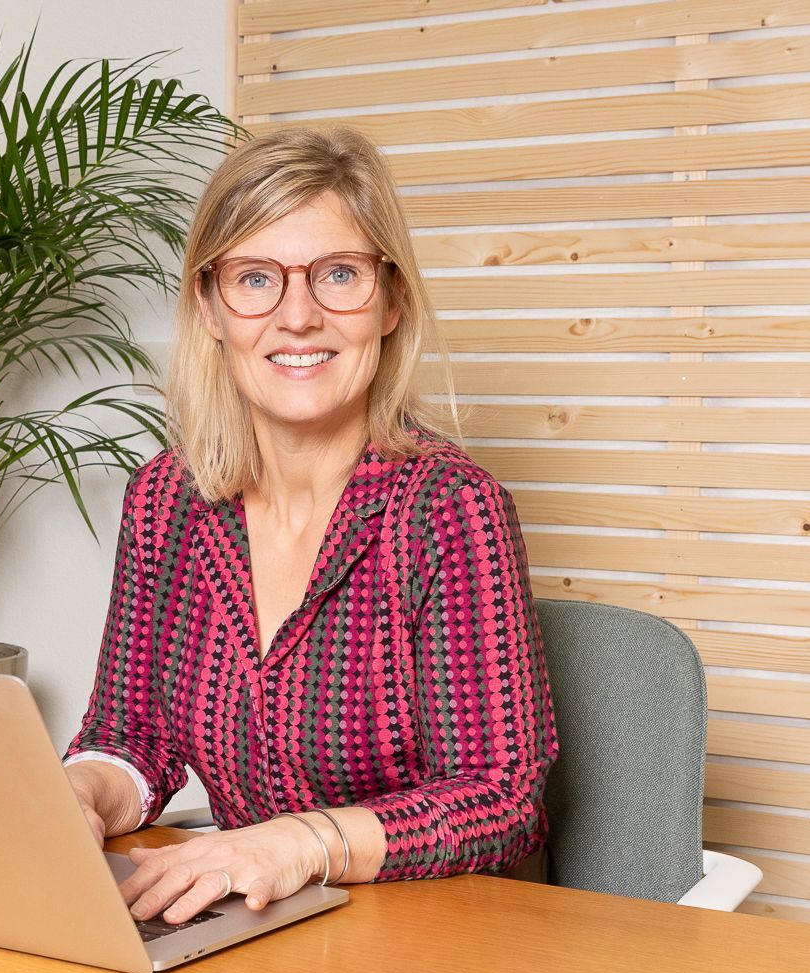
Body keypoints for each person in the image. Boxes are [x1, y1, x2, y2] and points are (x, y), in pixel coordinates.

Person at [63, 125, 559, 927]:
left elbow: (499, 801)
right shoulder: (165, 501)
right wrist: (78, 792)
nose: (298, 317)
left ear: (391, 301)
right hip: (255, 925)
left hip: (432, 937)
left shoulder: (448, 509)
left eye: (338, 275)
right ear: (210, 305)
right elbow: (132, 736)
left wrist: (301, 843)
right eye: (256, 278)